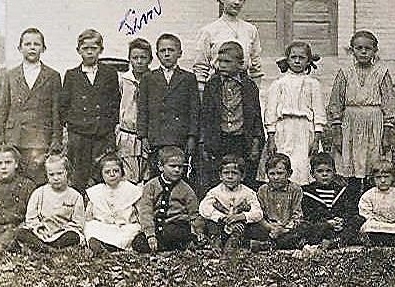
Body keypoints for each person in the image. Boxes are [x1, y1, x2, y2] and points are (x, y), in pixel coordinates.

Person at [327, 30, 395, 190]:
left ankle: (372, 198)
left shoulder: (381, 73)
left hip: (374, 121)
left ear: (375, 51)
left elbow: (389, 103)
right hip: (351, 122)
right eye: (359, 48)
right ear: (352, 50)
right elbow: (336, 102)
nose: (363, 52)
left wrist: (387, 133)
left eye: (368, 48)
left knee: (373, 160)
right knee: (351, 161)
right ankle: (352, 203)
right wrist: (337, 131)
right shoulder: (345, 73)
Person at [57, 29, 122, 189]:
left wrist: (108, 125)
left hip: (103, 135)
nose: (90, 52)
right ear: (79, 50)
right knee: (79, 175)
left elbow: (115, 102)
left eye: (94, 48)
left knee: (103, 174)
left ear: (101, 50)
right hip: (79, 136)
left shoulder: (110, 73)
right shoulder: (71, 75)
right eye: (86, 48)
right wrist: (72, 126)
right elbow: (63, 105)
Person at [0, 28, 62, 184]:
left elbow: (56, 112)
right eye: (27, 44)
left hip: (40, 140)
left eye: (36, 44)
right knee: (15, 181)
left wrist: (56, 140)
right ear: (20, 48)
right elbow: (3, 109)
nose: (32, 47)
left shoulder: (52, 76)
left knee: (38, 180)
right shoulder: (11, 76)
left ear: (43, 48)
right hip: (15, 138)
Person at [199, 42, 264, 191]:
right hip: (219, 139)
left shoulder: (249, 86)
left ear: (240, 64)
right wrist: (204, 142)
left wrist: (255, 142)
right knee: (218, 177)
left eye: (227, 61)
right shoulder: (212, 85)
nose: (222, 65)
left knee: (243, 176)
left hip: (241, 140)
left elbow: (255, 117)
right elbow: (205, 116)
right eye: (220, 61)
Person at [264, 41, 326, 186]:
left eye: (302, 58)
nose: (297, 61)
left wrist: (316, 139)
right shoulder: (279, 84)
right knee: (283, 163)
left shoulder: (313, 84)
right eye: (293, 57)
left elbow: (319, 112)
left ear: (308, 61)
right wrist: (271, 137)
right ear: (287, 59)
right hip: (284, 129)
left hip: (305, 130)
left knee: (303, 165)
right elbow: (270, 112)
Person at [138, 33, 199, 180]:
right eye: (163, 50)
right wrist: (143, 136)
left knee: (178, 174)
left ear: (180, 53)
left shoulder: (188, 78)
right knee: (156, 175)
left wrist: (192, 137)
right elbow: (143, 109)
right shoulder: (148, 78)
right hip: (156, 137)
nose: (167, 54)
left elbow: (194, 110)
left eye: (171, 50)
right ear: (157, 54)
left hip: (179, 137)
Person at [191, 0, 264, 84]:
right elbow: (200, 67)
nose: (237, 2)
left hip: (243, 85)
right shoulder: (209, 31)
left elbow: (256, 67)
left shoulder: (250, 30)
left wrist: (255, 92)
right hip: (217, 84)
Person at [135, 146, 202, 252]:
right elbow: (146, 211)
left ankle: (180, 245)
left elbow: (194, 212)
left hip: (177, 225)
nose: (177, 170)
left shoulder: (185, 188)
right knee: (138, 242)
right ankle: (165, 247)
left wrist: (198, 231)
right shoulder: (151, 186)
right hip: (157, 226)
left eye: (180, 167)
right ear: (161, 167)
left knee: (173, 233)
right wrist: (150, 234)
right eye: (173, 166)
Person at [17, 154, 87, 251]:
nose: (56, 178)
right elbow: (31, 217)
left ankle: (44, 248)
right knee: (21, 232)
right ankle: (48, 249)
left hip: (62, 233)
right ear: (46, 175)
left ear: (67, 172)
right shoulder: (39, 193)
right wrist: (40, 229)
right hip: (42, 233)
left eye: (59, 173)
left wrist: (61, 230)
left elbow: (78, 223)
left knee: (73, 236)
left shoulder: (76, 196)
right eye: (52, 174)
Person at [84, 152, 148, 254]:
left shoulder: (131, 189)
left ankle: (111, 247)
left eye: (116, 171)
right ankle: (101, 245)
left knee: (132, 231)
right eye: (107, 172)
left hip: (125, 226)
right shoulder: (96, 191)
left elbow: (140, 212)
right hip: (104, 226)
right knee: (92, 227)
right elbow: (89, 216)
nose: (112, 174)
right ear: (101, 174)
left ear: (122, 172)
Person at [299, 152, 364, 248]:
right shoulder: (307, 192)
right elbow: (309, 214)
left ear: (334, 172)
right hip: (321, 226)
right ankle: (332, 241)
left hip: (339, 226)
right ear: (312, 174)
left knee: (357, 220)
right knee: (305, 226)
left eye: (328, 171)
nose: (324, 174)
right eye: (320, 171)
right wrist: (328, 223)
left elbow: (349, 210)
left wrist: (342, 221)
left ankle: (336, 241)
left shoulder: (342, 190)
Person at [199, 154, 263, 249]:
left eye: (234, 173)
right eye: (226, 173)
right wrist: (222, 218)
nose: (230, 176)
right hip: (221, 224)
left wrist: (241, 217)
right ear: (220, 176)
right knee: (210, 225)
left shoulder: (248, 192)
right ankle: (217, 242)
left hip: (240, 225)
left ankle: (242, 243)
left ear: (242, 176)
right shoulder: (215, 192)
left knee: (255, 228)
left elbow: (258, 212)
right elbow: (204, 208)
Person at [252, 154, 315, 251]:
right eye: (272, 174)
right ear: (267, 174)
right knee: (253, 227)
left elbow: (297, 215)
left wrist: (284, 229)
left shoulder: (295, 189)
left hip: (288, 228)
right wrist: (271, 227)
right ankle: (274, 243)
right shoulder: (263, 190)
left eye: (280, 173)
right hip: (269, 228)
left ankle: (270, 244)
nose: (276, 177)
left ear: (289, 173)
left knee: (305, 227)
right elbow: (259, 215)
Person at [358, 159, 395, 247]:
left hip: (394, 223)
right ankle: (382, 240)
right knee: (369, 226)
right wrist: (377, 219)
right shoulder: (368, 195)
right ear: (373, 179)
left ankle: (394, 240)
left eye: (386, 177)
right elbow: (365, 213)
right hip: (377, 223)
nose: (382, 180)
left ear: (392, 177)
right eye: (378, 177)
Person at [117, 38, 152, 181]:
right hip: (127, 133)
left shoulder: (153, 79)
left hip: (146, 135)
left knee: (145, 173)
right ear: (129, 59)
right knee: (128, 172)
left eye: (143, 58)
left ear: (150, 59)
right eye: (135, 58)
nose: (139, 61)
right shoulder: (123, 79)